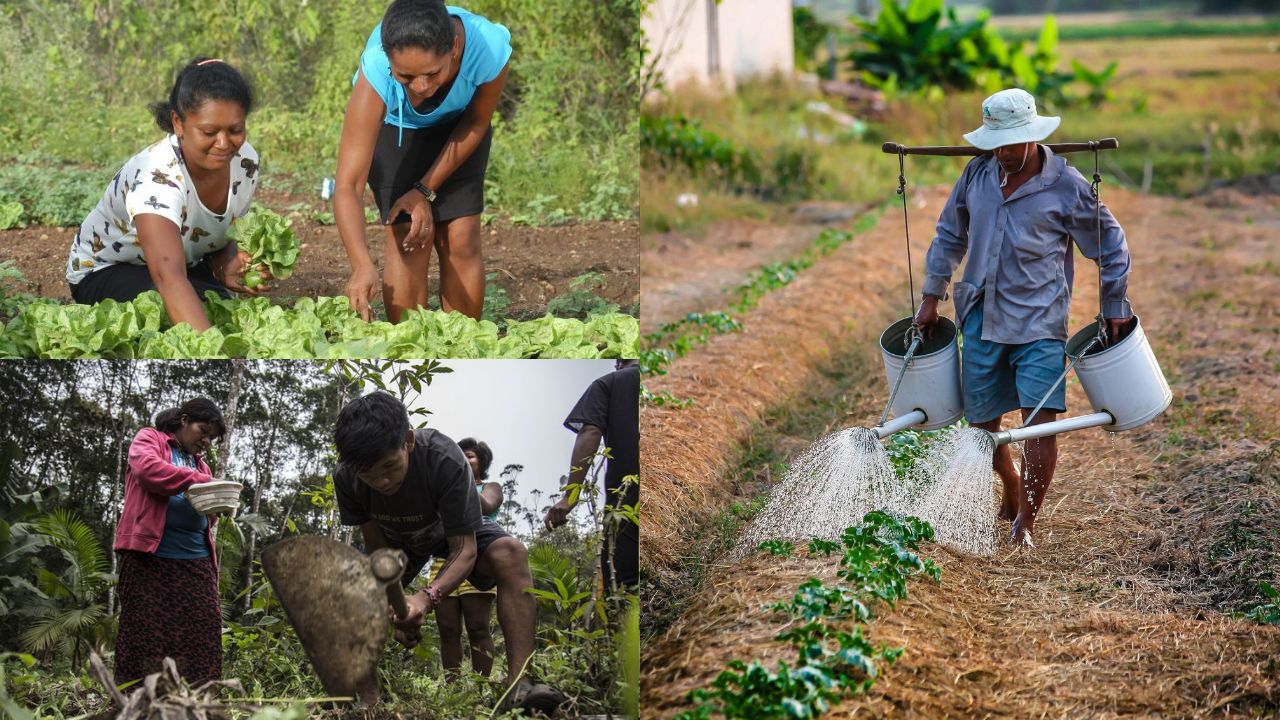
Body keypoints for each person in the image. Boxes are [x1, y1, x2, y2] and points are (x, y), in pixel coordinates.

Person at [913, 88, 1134, 548]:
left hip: (1039, 322)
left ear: (1033, 138)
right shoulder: (976, 174)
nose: (1004, 153)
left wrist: (1113, 305)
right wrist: (931, 296)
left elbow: (1111, 246)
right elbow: (948, 236)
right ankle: (1010, 481)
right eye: (996, 144)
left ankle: (1024, 525)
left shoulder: (1066, 186)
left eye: (1012, 144)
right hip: (980, 316)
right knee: (982, 427)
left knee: (1040, 421)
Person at [332, 393, 563, 714]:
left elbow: (464, 549)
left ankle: (519, 685)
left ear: (408, 441)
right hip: (400, 541)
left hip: (454, 530)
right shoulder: (347, 478)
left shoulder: (444, 458)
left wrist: (424, 599)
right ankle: (368, 704)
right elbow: (378, 550)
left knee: (510, 552)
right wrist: (395, 604)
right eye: (369, 475)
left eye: (389, 466)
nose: (382, 481)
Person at [333, 0, 511, 322]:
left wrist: (424, 190)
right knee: (408, 237)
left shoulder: (488, 48)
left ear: (454, 49)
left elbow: (476, 122)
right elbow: (347, 184)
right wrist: (361, 264)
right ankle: (410, 345)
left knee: (461, 237)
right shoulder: (375, 70)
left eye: (432, 73)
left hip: (460, 130)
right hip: (396, 129)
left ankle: (463, 346)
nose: (421, 87)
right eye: (405, 76)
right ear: (389, 61)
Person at [66, 58, 267, 331]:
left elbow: (223, 232)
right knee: (169, 313)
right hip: (106, 270)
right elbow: (169, 278)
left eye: (235, 130)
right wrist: (214, 360)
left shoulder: (245, 162)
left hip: (182, 263)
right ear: (178, 123)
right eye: (209, 132)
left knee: (214, 307)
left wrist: (227, 264)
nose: (224, 143)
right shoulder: (156, 178)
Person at [113, 398, 228, 686]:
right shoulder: (149, 439)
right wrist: (196, 481)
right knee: (145, 632)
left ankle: (198, 704)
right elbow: (148, 471)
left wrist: (217, 505)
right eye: (203, 431)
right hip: (148, 557)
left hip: (196, 560)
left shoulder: (201, 466)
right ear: (184, 420)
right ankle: (140, 705)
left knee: (203, 631)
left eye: (212, 438)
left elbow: (203, 510)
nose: (206, 441)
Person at [544, 360, 640, 593]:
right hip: (659, 487)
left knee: (622, 584)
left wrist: (570, 496)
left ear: (617, 361)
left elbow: (590, 431)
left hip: (624, 497)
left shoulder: (609, 383)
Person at [430, 437, 502, 678]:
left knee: (477, 627)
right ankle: (454, 689)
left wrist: (462, 482)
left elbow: (488, 507)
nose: (464, 459)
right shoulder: (444, 491)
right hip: (445, 558)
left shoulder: (491, 488)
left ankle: (481, 686)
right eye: (460, 456)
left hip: (478, 557)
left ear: (481, 462)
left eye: (470, 456)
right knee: (448, 629)